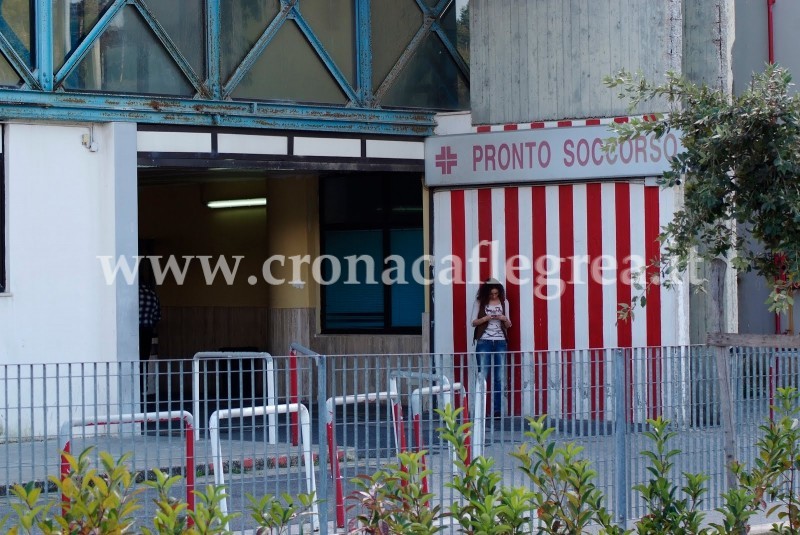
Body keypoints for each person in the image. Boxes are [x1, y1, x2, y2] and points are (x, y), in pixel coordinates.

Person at [471, 278, 512, 417]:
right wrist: (487, 318)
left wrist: (504, 319)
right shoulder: (479, 302)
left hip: (500, 341)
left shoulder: (504, 302)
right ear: (486, 293)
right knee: (483, 375)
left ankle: (497, 411)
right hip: (484, 341)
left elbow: (509, 325)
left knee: (499, 377)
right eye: (491, 294)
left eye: (496, 293)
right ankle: (481, 410)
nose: (494, 296)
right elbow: (473, 322)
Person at [139, 267, 161, 361]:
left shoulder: (132, 294)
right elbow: (157, 316)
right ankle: (144, 375)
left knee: (131, 359)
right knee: (144, 358)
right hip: (147, 330)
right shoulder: (152, 294)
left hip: (133, 330)